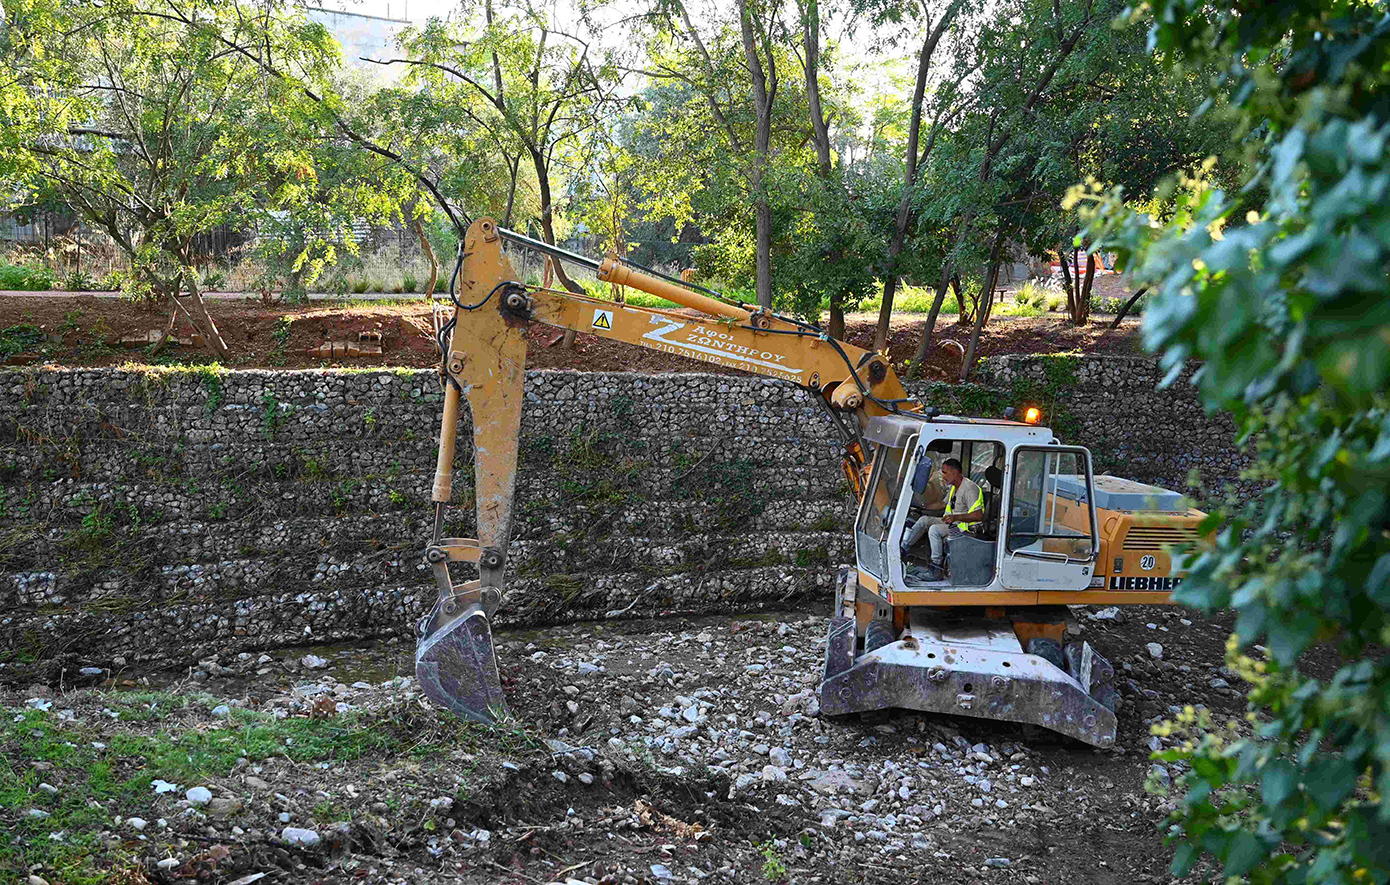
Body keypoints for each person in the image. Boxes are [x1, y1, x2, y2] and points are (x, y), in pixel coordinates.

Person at [901, 458, 984, 580]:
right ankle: (903, 549)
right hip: (951, 523)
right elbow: (942, 504)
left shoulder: (970, 489)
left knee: (935, 530)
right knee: (924, 520)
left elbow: (978, 515)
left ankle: (936, 569)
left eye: (945, 473)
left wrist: (955, 517)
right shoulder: (954, 487)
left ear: (954, 472)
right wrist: (923, 507)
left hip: (963, 528)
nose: (943, 476)